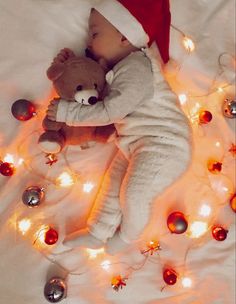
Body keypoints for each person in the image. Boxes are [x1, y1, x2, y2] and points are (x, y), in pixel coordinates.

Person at [47, 0, 191, 253]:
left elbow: (113, 110)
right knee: (112, 185)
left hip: (166, 145)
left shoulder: (137, 66)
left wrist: (68, 112)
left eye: (95, 34)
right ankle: (97, 231)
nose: (89, 42)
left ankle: (127, 238)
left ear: (125, 37)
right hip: (137, 143)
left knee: (133, 193)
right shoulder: (118, 69)